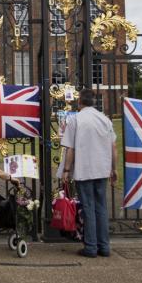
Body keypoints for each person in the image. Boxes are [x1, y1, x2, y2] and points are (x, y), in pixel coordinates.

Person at [59, 89, 117, 258]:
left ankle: (91, 247)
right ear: (94, 102)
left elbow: (71, 148)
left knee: (88, 208)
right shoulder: (105, 120)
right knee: (101, 207)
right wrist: (114, 169)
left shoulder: (75, 119)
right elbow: (113, 147)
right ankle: (104, 246)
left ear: (80, 103)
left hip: (84, 169)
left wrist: (66, 170)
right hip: (102, 168)